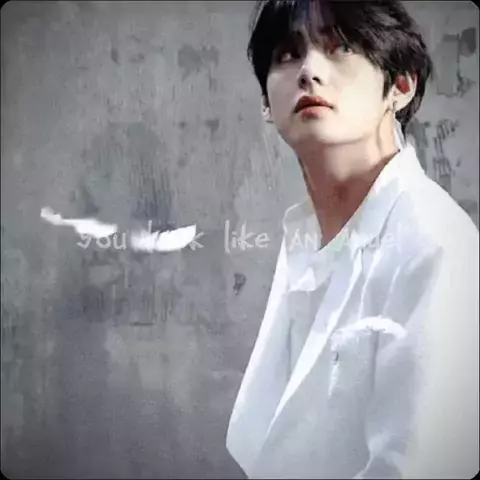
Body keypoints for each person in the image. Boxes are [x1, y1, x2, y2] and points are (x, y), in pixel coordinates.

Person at [225, 0, 479, 478]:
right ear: (265, 104)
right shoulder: (306, 238)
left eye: (340, 47)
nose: (309, 71)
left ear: (400, 86)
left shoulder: (435, 244)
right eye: (287, 54)